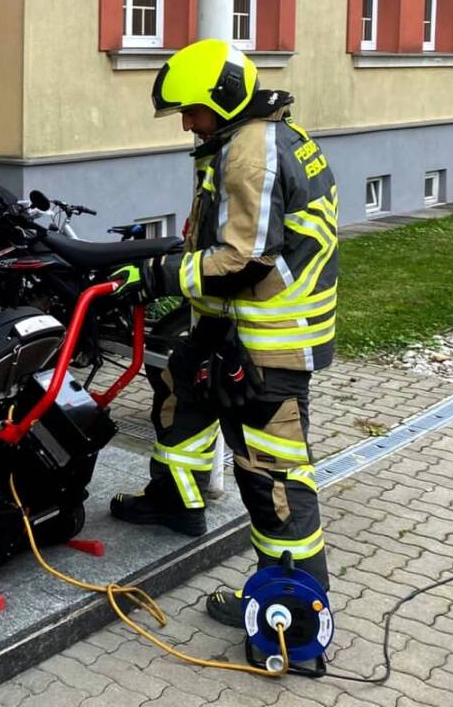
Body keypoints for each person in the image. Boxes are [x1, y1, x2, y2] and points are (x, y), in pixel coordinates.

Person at [108, 39, 337, 627]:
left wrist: (157, 275)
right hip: (230, 326)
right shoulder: (252, 137)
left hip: (269, 343)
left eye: (192, 110)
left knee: (271, 476)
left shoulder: (251, 153)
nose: (186, 123)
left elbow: (244, 260)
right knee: (181, 389)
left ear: (224, 100)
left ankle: (293, 610)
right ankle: (175, 500)